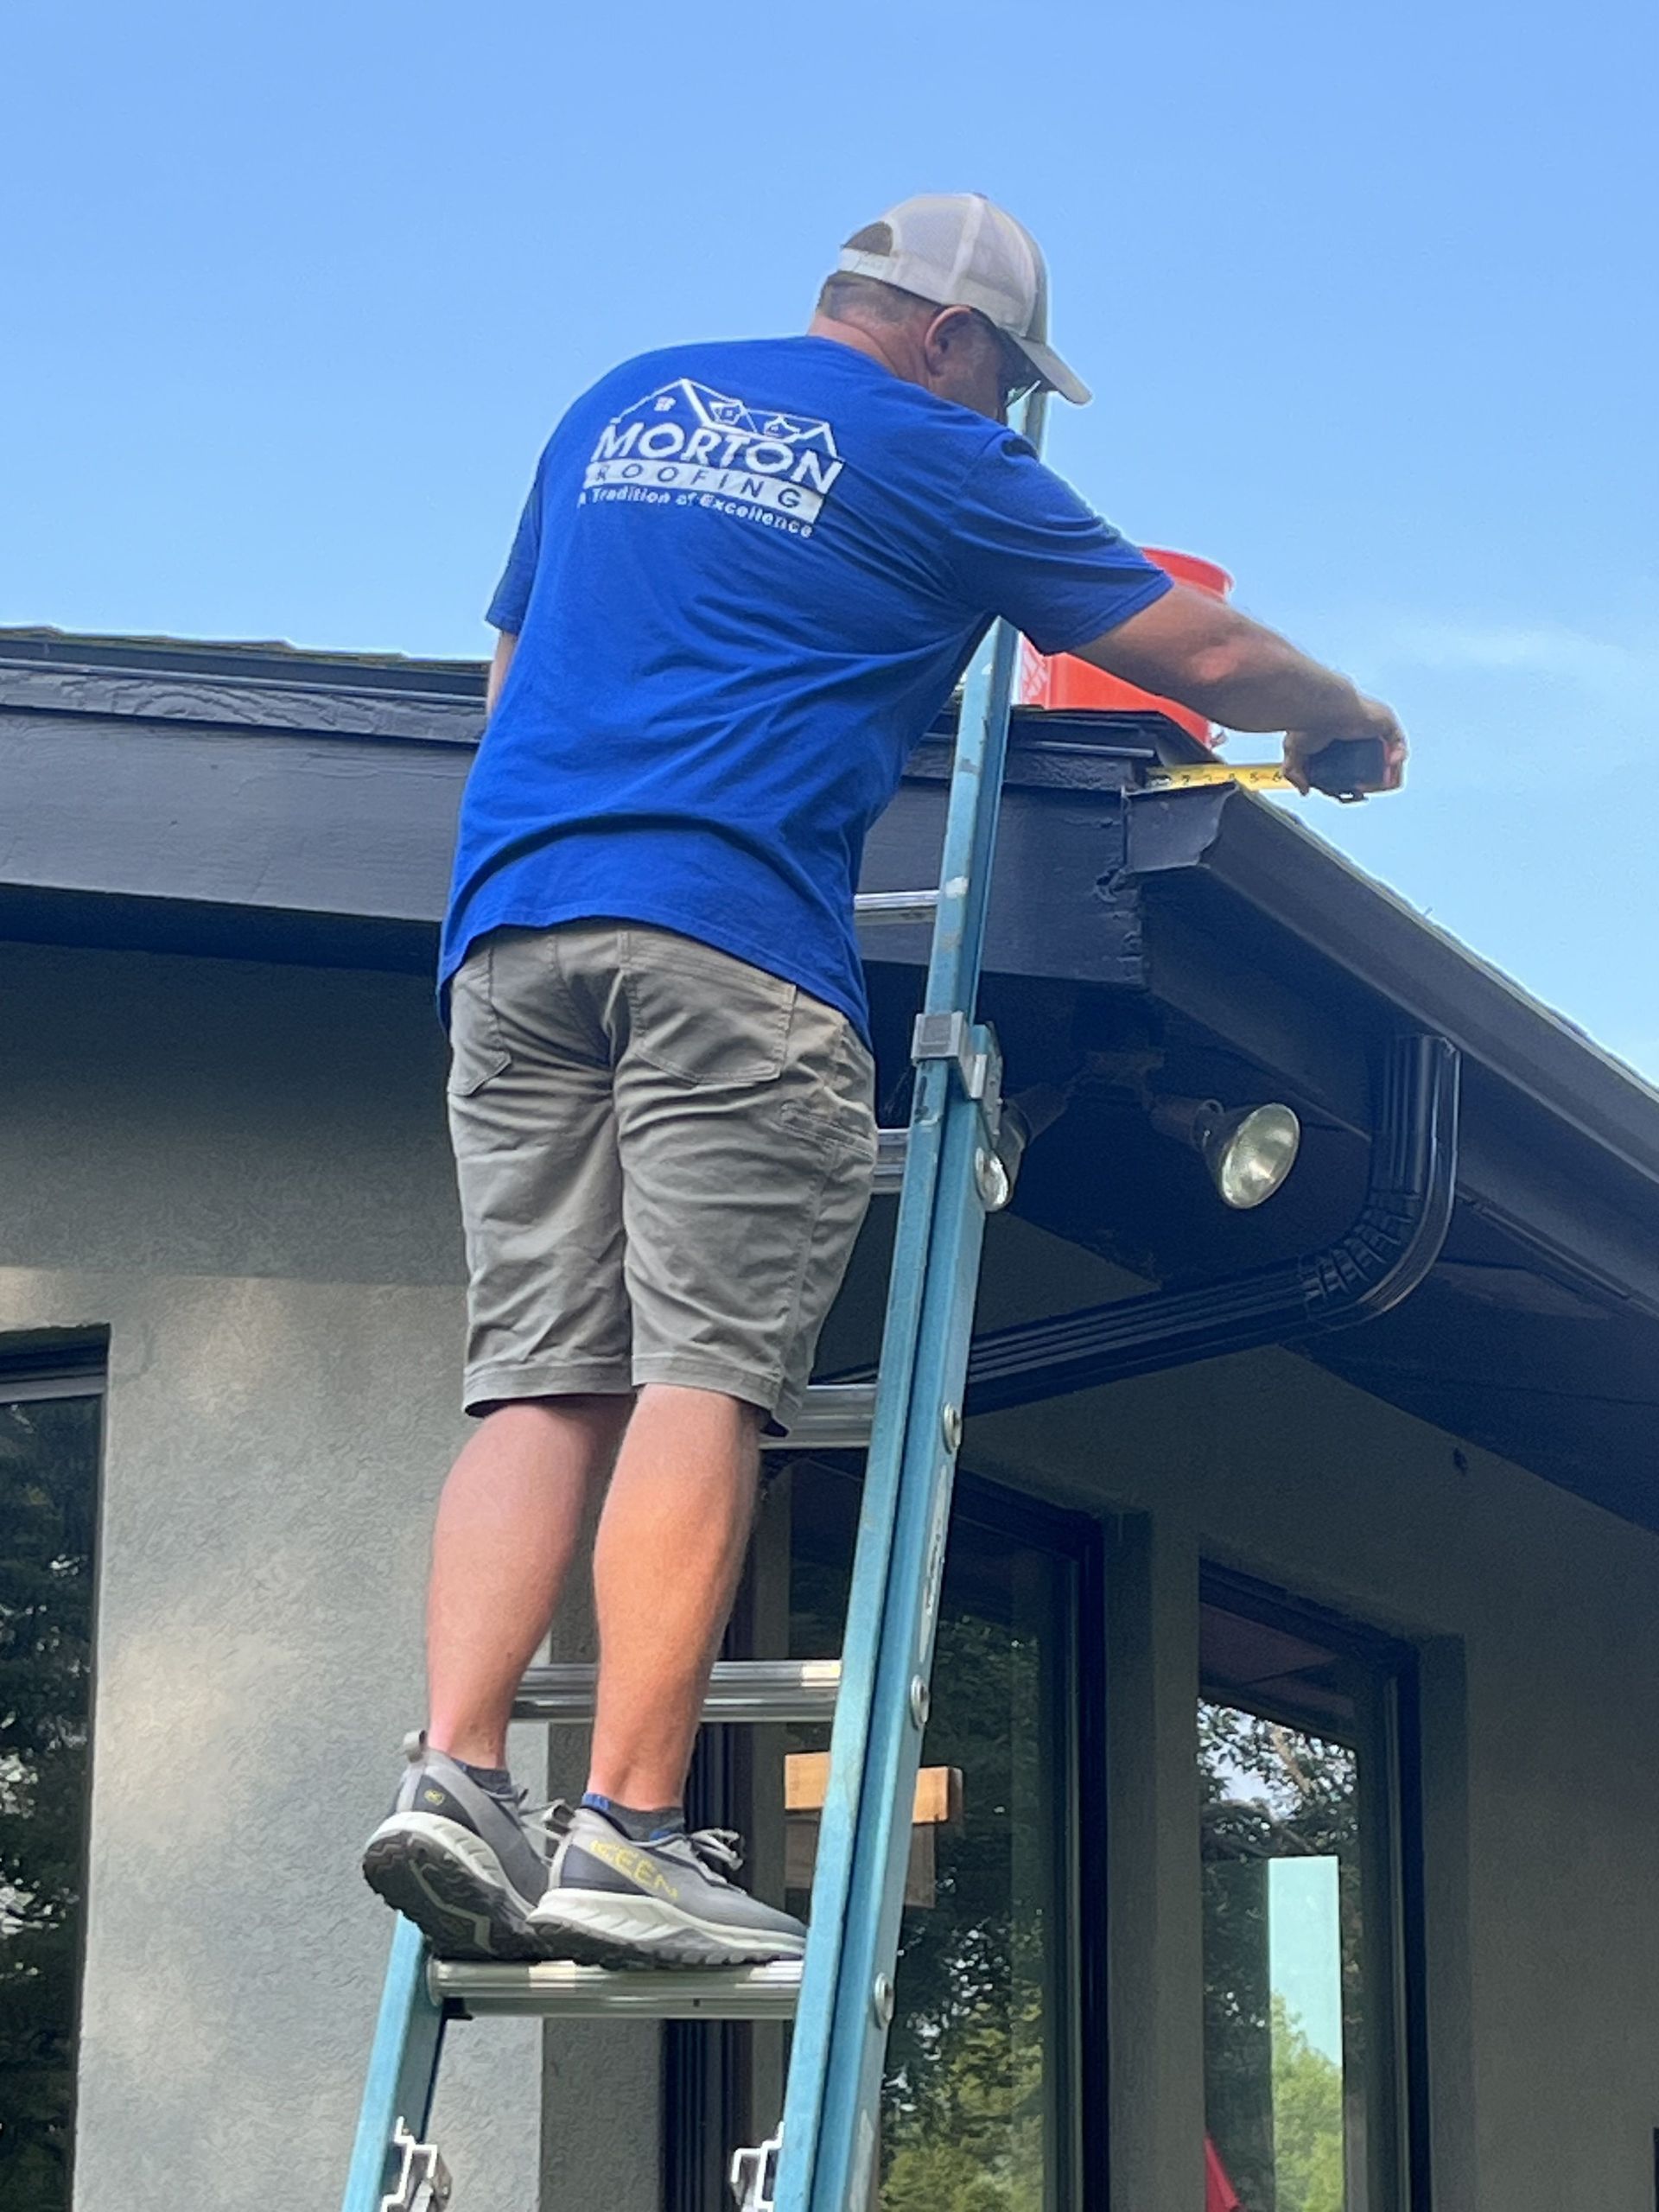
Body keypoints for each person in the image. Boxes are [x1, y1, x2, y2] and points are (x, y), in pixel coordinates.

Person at [361, 192, 1407, 1969]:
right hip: (727, 938)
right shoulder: (934, 448)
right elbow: (1205, 656)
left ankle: (455, 1775)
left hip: (515, 930)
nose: (1009, 412)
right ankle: (624, 1831)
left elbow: (515, 678)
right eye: (1011, 380)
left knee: (538, 1376)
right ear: (950, 338)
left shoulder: (626, 401)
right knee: (704, 1373)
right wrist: (1343, 719)